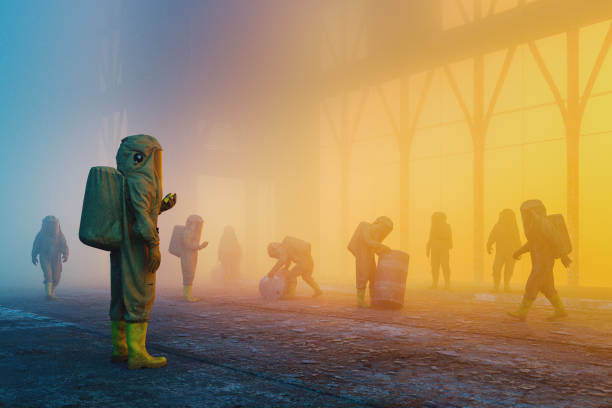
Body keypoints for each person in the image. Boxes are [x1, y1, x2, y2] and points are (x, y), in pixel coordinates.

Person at [109, 134, 176, 369]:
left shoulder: (123, 179)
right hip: (137, 248)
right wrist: (154, 247)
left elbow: (138, 212)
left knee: (119, 295)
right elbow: (142, 222)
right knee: (140, 294)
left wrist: (162, 206)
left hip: (119, 246)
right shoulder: (142, 180)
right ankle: (138, 355)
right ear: (143, 155)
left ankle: (120, 349)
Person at [508, 200, 571, 321]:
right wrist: (519, 251)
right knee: (547, 288)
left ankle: (522, 312)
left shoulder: (544, 224)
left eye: (526, 213)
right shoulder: (534, 226)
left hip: (544, 262)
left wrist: (563, 255)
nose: (524, 216)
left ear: (533, 212)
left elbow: (555, 238)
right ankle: (560, 310)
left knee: (532, 284)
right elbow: (532, 243)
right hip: (539, 261)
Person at [348, 216, 393, 307]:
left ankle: (373, 299)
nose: (382, 232)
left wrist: (383, 252)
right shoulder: (364, 225)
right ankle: (360, 302)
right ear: (378, 223)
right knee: (362, 277)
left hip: (370, 257)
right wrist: (382, 246)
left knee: (373, 278)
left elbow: (375, 248)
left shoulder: (376, 236)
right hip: (362, 255)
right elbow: (368, 240)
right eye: (383, 228)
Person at [31, 216, 68, 299]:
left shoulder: (60, 235)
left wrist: (65, 254)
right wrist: (34, 256)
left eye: (53, 223)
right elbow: (36, 245)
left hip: (56, 257)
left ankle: (51, 292)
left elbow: (64, 245)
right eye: (49, 223)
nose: (51, 226)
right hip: (44, 257)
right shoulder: (41, 235)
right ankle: (49, 294)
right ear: (45, 224)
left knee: (57, 276)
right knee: (48, 275)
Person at [487, 209, 521, 292]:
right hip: (500, 252)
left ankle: (506, 285)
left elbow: (517, 240)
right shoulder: (498, 226)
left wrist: (519, 252)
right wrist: (489, 245)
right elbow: (492, 236)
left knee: (509, 270)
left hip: (511, 253)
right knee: (496, 268)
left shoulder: (514, 227)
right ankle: (496, 286)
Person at [179, 215, 208, 302]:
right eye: (198, 224)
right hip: (187, 255)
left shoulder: (191, 231)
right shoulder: (188, 231)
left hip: (191, 254)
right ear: (194, 223)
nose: (200, 226)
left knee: (190, 274)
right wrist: (200, 246)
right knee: (188, 273)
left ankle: (188, 294)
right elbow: (187, 243)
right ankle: (187, 295)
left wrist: (199, 247)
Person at [426, 212, 452, 289]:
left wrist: (428, 248)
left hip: (442, 249)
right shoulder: (434, 227)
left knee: (445, 267)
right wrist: (428, 248)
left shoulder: (446, 227)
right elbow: (430, 238)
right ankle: (435, 284)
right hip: (436, 249)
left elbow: (449, 238)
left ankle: (446, 284)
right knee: (434, 267)